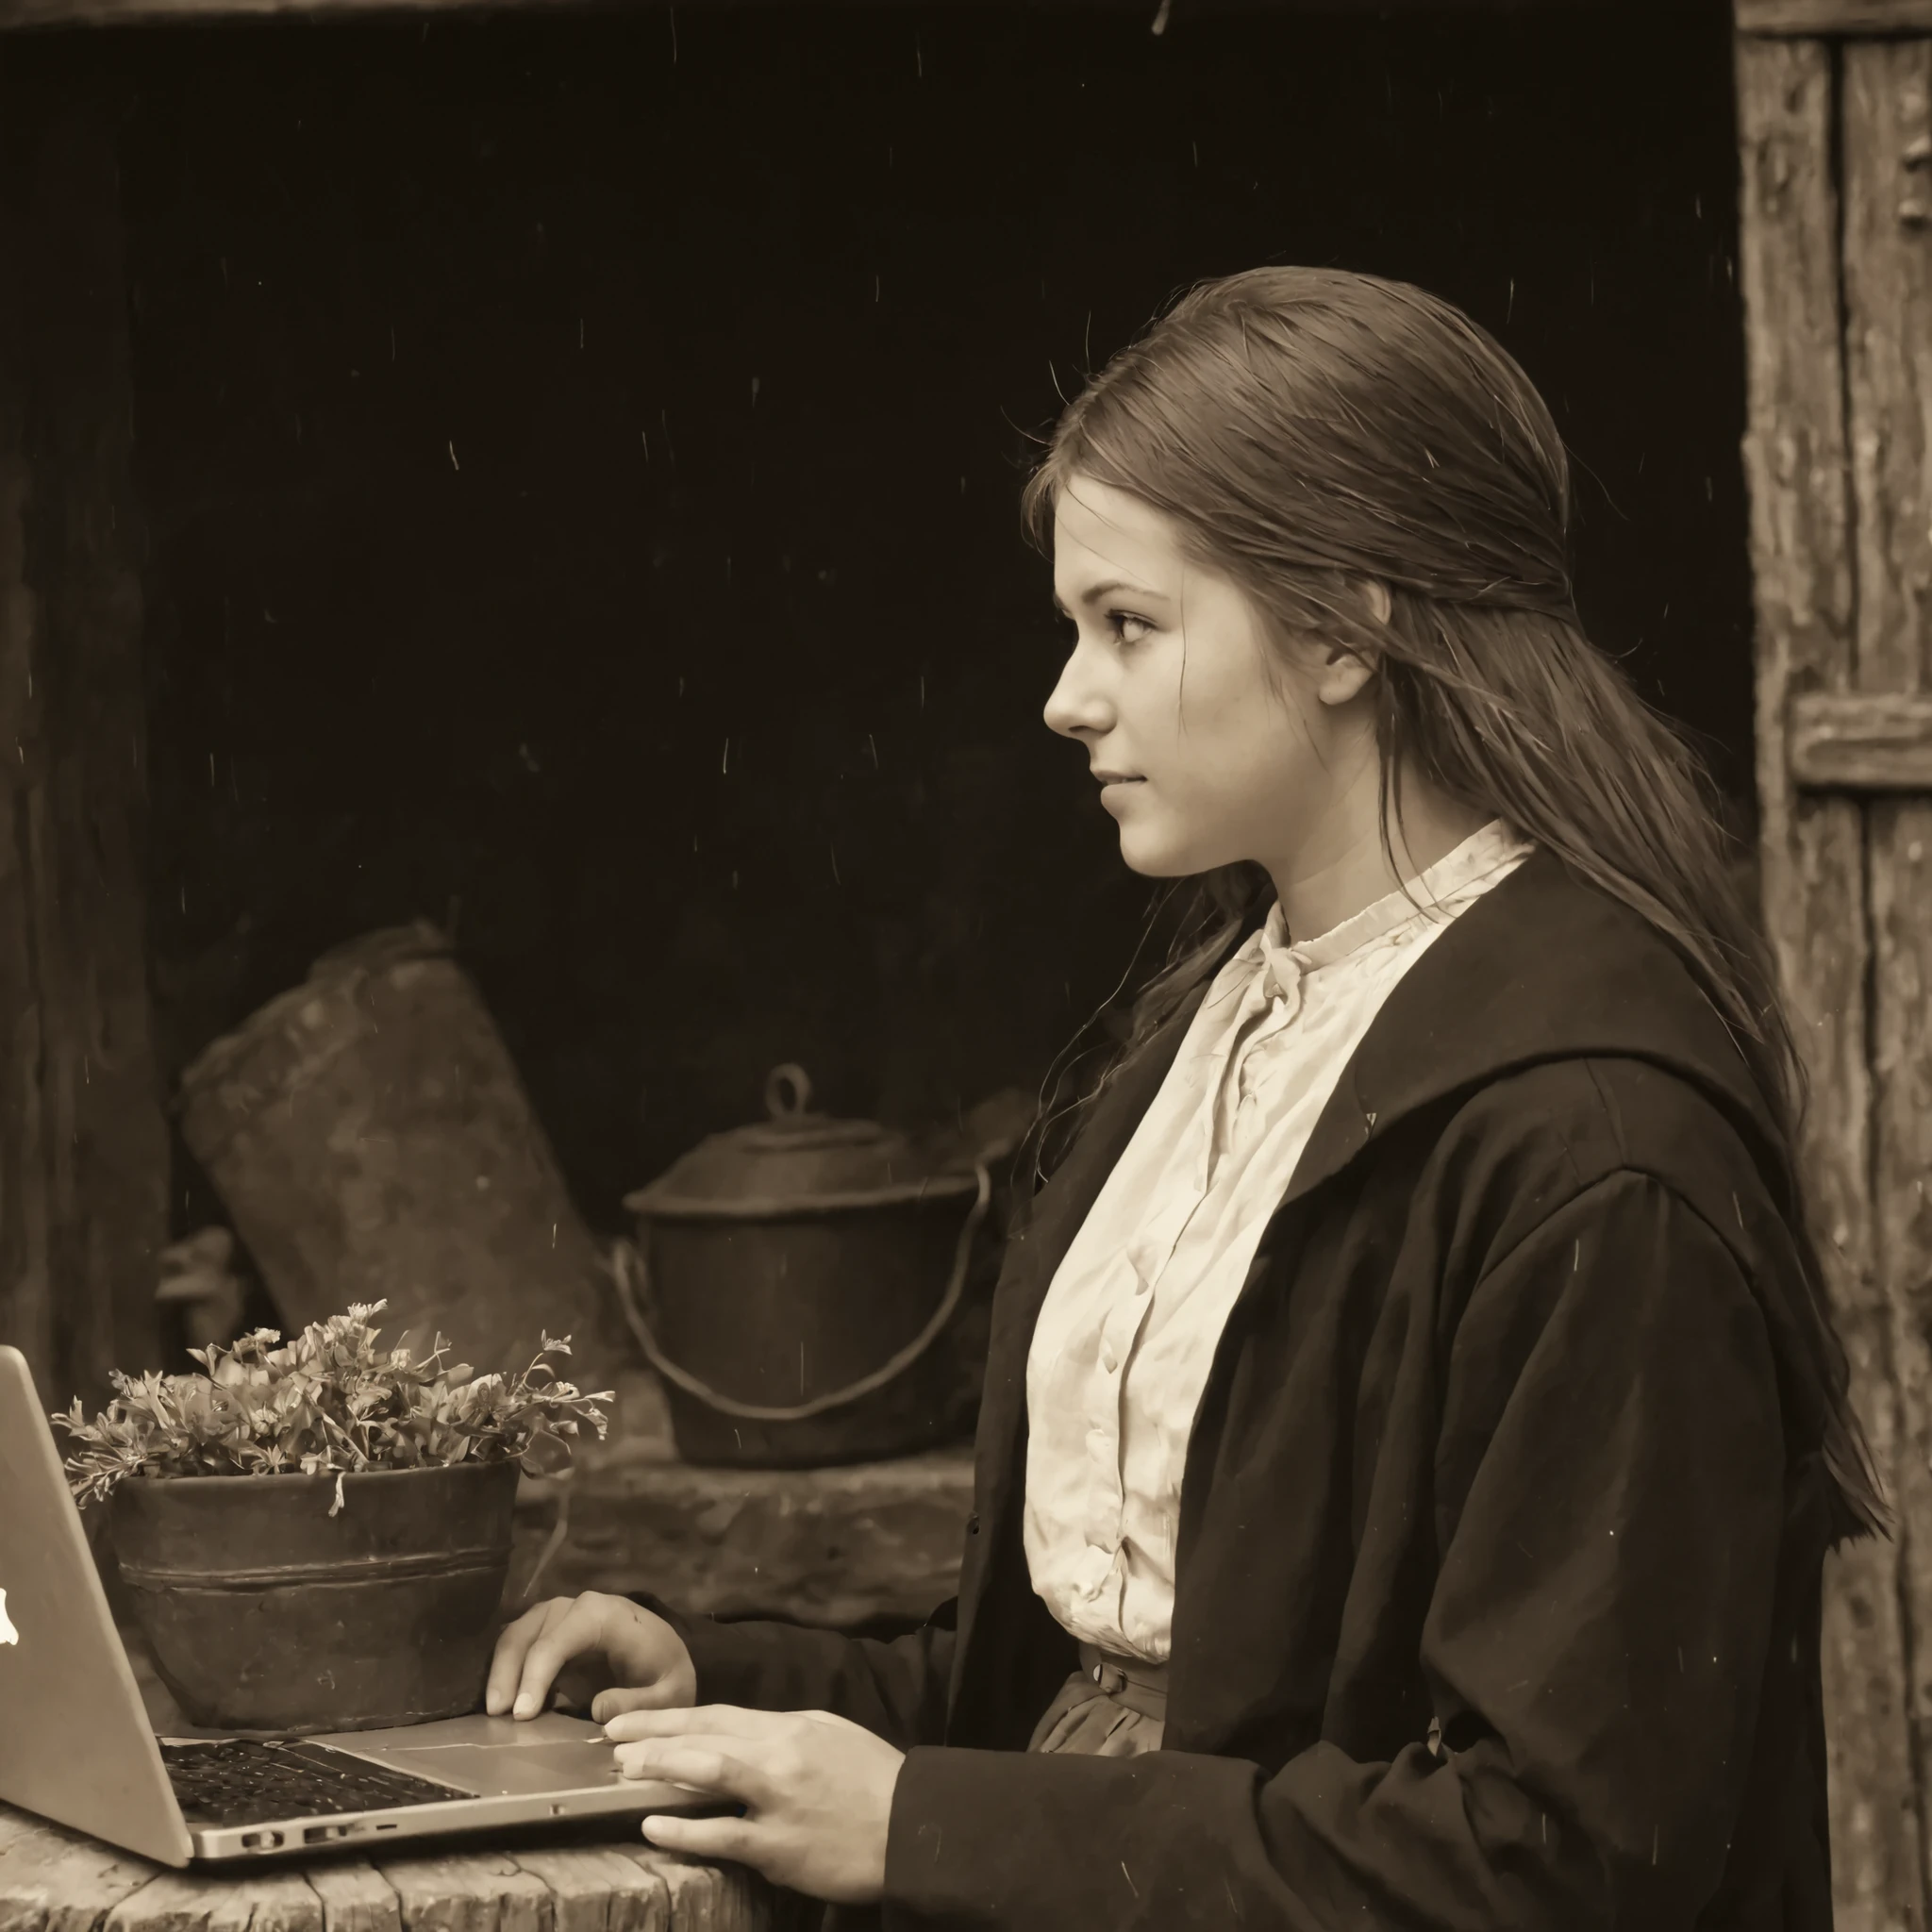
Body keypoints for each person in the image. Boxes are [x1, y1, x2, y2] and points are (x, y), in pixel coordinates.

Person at [487, 267, 1877, 1930]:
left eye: (1129, 625)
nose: (1068, 696)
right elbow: (1135, 1684)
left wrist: (928, 1829)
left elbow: (1560, 1861)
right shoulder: (1226, 1024)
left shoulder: (1591, 1142)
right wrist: (731, 1675)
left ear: (1347, 628)